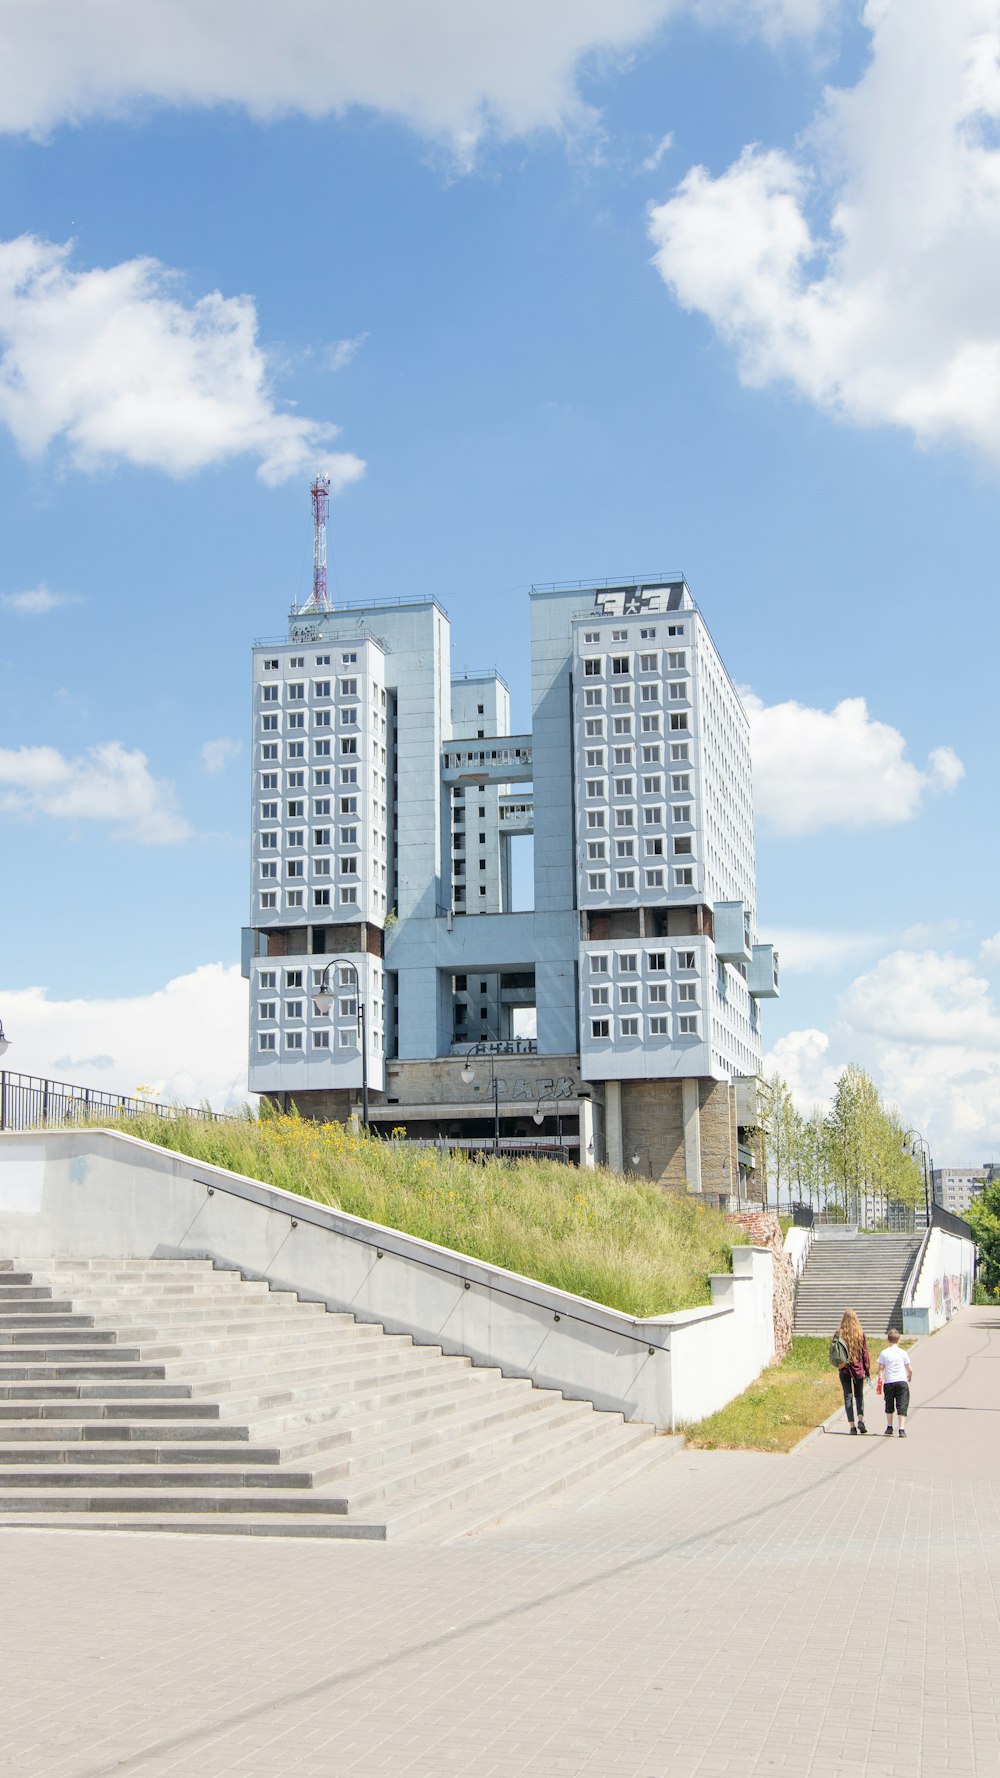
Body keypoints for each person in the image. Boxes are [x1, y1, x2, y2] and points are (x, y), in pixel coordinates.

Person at [835, 1308, 870, 1434]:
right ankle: (861, 1419)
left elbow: (835, 1351)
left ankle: (852, 1426)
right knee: (859, 1395)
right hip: (858, 1369)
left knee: (848, 1396)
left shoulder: (839, 1334)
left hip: (844, 1368)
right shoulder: (860, 1334)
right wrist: (867, 1370)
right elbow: (864, 1354)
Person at [878, 1328, 913, 1438]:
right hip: (902, 1382)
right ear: (899, 1340)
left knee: (889, 1403)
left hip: (889, 1382)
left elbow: (881, 1368)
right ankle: (901, 1429)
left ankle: (889, 1427)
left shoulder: (884, 1353)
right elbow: (910, 1369)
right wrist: (909, 1377)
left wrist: (880, 1379)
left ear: (888, 1340)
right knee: (902, 1404)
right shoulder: (903, 1352)